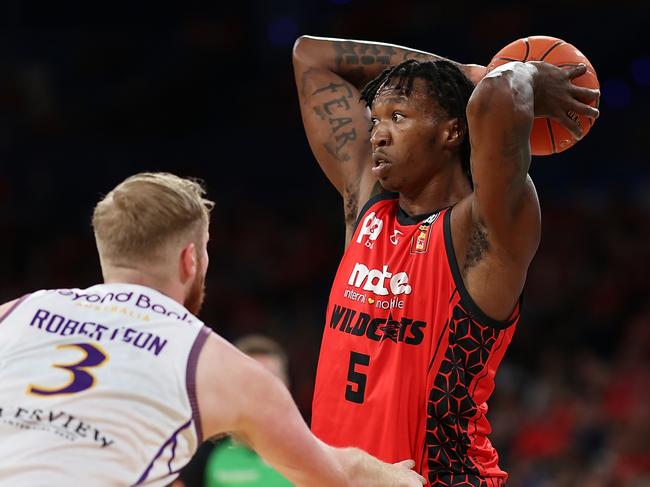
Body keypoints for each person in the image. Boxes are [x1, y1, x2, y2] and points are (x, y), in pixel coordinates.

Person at [292, 35, 599, 486]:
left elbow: (497, 96)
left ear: (452, 131)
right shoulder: (366, 205)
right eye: (375, 118)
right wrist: (466, 71)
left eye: (398, 117)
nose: (377, 133)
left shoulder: (484, 228)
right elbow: (310, 55)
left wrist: (526, 73)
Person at [0, 172, 426, 487]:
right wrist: (396, 477)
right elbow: (334, 475)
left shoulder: (14, 314)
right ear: (190, 259)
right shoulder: (213, 361)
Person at [203, 335, 293, 487]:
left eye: (272, 380)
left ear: (287, 385)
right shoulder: (203, 453)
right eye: (252, 381)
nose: (263, 391)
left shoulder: (320, 456)